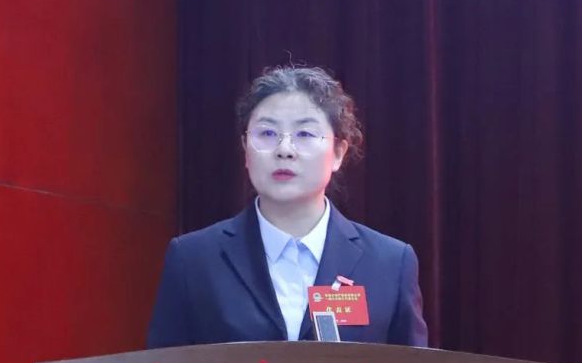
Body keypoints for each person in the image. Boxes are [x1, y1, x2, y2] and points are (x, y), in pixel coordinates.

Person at [147, 66, 428, 348]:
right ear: (245, 149)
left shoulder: (389, 263)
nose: (284, 149)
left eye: (304, 134)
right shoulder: (193, 259)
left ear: (338, 153)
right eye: (267, 133)